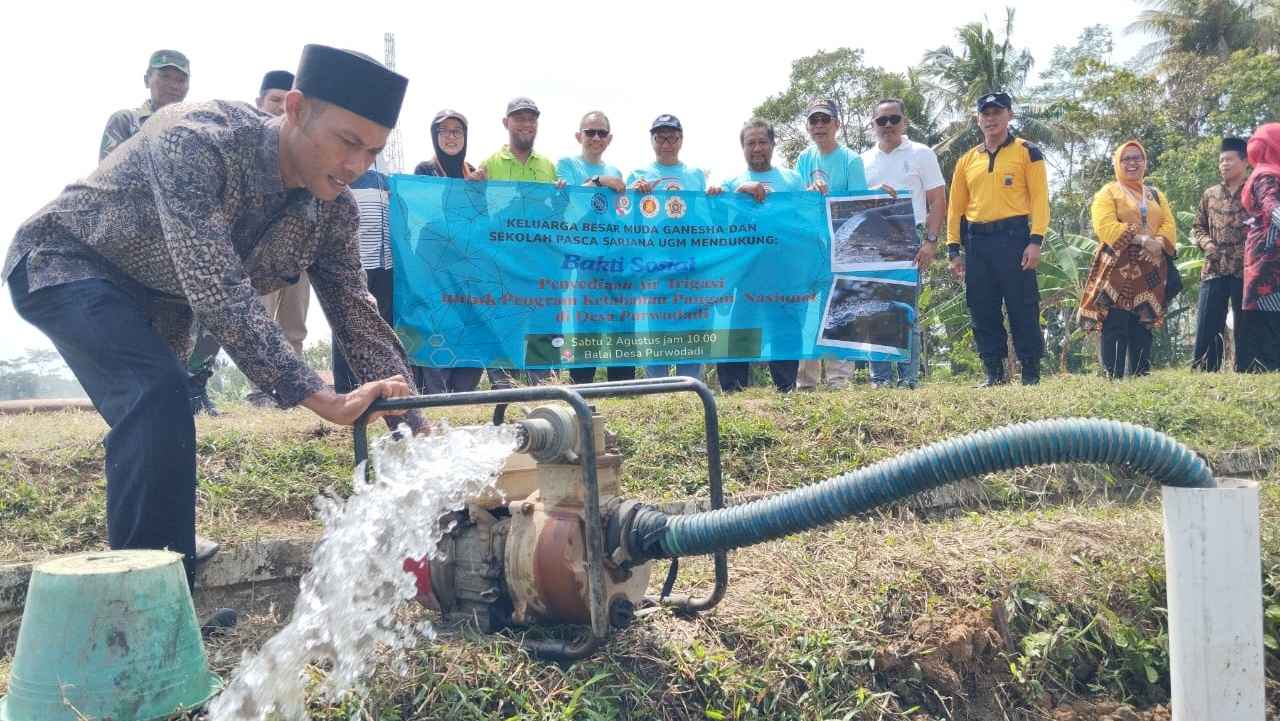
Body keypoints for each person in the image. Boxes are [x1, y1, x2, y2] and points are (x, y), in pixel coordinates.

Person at [5, 44, 422, 593]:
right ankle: (145, 604)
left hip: (163, 299)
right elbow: (217, 289)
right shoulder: (197, 140)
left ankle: (166, 589)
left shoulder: (333, 210)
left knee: (162, 412)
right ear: (296, 108)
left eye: (373, 151)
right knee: (155, 394)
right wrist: (319, 396)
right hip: (70, 262)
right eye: (347, 142)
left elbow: (357, 315)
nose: (357, 166)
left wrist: (418, 428)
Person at [945, 92, 1050, 386]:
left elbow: (1040, 199)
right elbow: (955, 207)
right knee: (982, 308)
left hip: (1014, 238)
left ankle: (1030, 372)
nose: (991, 119)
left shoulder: (1028, 152)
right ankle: (994, 372)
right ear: (978, 119)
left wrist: (1036, 240)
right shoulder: (966, 160)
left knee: (1022, 306)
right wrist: (953, 249)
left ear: (1009, 115)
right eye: (986, 114)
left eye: (997, 112)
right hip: (977, 242)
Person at [473, 97, 561, 387]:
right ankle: (504, 394)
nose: (526, 124)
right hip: (502, 269)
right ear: (505, 123)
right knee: (503, 334)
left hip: (539, 268)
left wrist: (562, 198)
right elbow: (476, 215)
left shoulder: (549, 166)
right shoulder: (489, 164)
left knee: (542, 335)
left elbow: (556, 217)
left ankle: (545, 392)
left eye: (531, 119)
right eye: (519, 118)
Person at [627, 114, 721, 381]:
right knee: (658, 335)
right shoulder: (638, 175)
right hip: (657, 268)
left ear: (681, 140)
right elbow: (626, 222)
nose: (666, 144)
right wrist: (634, 195)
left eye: (672, 137)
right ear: (652, 140)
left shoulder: (696, 175)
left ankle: (690, 391)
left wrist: (715, 195)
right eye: (660, 137)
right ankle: (656, 393)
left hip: (692, 266)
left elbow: (707, 218)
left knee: (693, 334)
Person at [861, 98, 947, 389]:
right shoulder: (863, 160)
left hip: (910, 239)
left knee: (906, 311)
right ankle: (880, 380)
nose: (887, 125)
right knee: (875, 311)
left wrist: (930, 242)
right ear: (873, 124)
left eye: (893, 119)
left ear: (904, 121)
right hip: (873, 242)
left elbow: (938, 200)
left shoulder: (922, 153)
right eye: (881, 120)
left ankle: (908, 380)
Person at [715, 118, 803, 392]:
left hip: (783, 266)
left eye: (762, 142)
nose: (757, 148)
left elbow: (805, 219)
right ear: (742, 147)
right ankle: (733, 389)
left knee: (785, 327)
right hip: (745, 270)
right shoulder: (731, 181)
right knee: (740, 327)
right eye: (750, 143)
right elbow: (717, 220)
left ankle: (786, 388)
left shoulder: (792, 179)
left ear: (773, 144)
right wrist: (738, 190)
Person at [1077, 141, 1177, 378]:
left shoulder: (1154, 194)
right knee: (1115, 320)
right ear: (1117, 163)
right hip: (1117, 265)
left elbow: (1169, 224)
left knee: (1143, 320)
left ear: (1145, 162)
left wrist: (1159, 243)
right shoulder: (1108, 192)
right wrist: (1142, 240)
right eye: (1126, 158)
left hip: (1150, 265)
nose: (1132, 163)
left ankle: (1141, 375)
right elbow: (1105, 226)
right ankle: (1112, 376)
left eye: (1137, 158)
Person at [794, 98, 868, 390]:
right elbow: (796, 203)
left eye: (825, 120)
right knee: (810, 317)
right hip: (810, 251)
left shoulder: (851, 160)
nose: (819, 125)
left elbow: (860, 209)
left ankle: (839, 381)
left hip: (842, 250)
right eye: (814, 120)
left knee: (841, 313)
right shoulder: (804, 159)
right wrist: (809, 193)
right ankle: (806, 383)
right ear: (808, 127)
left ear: (837, 124)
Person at [554, 111, 632, 384]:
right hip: (582, 261)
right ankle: (581, 391)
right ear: (579, 136)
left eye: (602, 133)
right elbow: (572, 205)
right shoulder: (566, 165)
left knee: (620, 323)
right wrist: (600, 181)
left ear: (609, 138)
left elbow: (620, 214)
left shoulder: (616, 172)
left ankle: (623, 390)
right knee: (585, 326)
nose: (596, 137)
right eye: (590, 132)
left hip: (612, 261)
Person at [413, 109, 484, 393]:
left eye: (457, 131)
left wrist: (479, 191)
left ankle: (464, 396)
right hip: (433, 268)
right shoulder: (424, 170)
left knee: (470, 328)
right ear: (435, 136)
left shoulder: (473, 171)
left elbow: (481, 222)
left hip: (466, 268)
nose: (451, 137)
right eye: (444, 131)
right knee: (436, 329)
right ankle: (436, 397)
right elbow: (423, 214)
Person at [1192, 137, 1252, 372]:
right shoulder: (1210, 194)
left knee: (1246, 322)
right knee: (1208, 319)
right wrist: (1206, 243)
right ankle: (1205, 369)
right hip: (1214, 266)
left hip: (1245, 266)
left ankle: (1247, 368)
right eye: (1221, 161)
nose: (1224, 164)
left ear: (1244, 161)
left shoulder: (1254, 191)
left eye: (1229, 159)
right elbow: (1198, 226)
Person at [1239, 123, 1280, 371]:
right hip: (1269, 255)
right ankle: (1267, 365)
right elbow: (1272, 206)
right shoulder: (1267, 175)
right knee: (1269, 305)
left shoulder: (1268, 172)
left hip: (1265, 253)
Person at [99, 49, 190, 161]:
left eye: (181, 80)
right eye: (165, 76)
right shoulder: (125, 121)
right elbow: (108, 170)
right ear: (147, 80)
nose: (173, 86)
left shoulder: (193, 128)